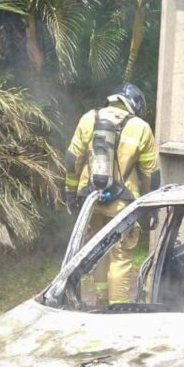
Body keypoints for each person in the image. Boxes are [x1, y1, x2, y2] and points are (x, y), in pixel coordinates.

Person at [63, 83, 160, 305]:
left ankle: (101, 300)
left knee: (99, 251)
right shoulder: (141, 128)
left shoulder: (89, 118)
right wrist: (152, 207)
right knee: (120, 256)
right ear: (134, 105)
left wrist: (70, 193)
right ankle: (117, 309)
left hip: (91, 201)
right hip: (123, 207)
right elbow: (150, 175)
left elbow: (72, 161)